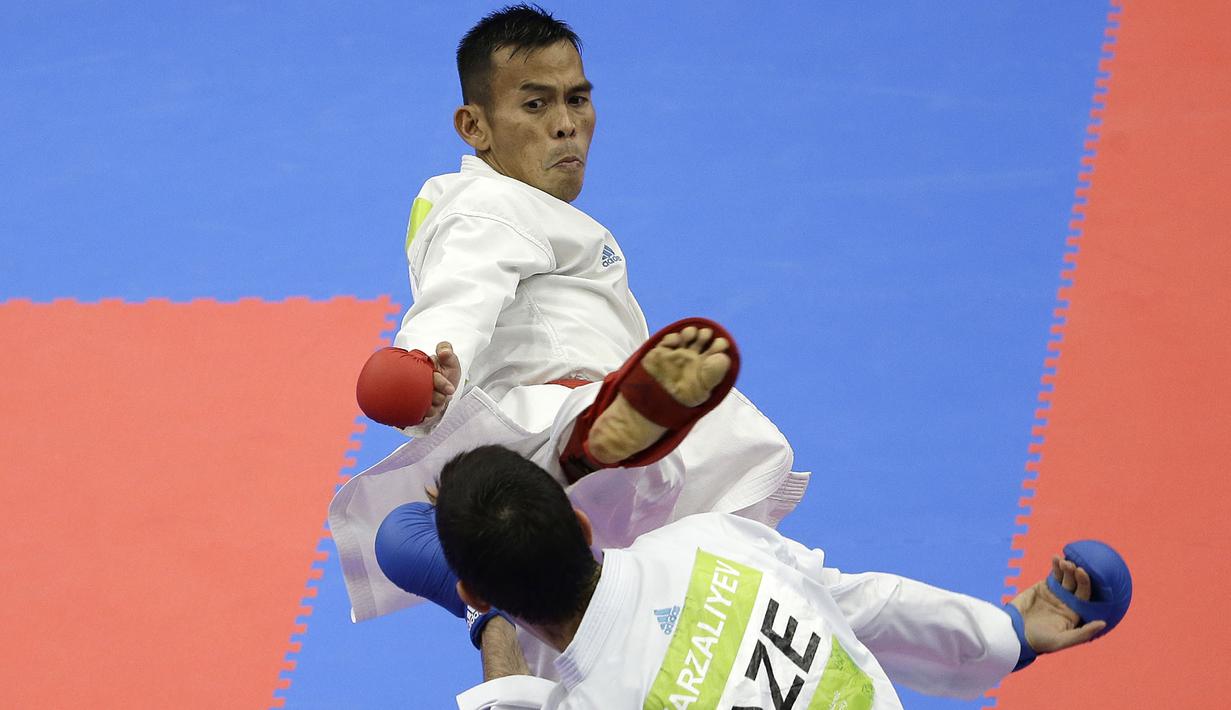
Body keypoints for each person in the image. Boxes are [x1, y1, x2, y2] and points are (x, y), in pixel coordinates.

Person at [329, 4, 807, 627]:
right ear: (474, 126)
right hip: (558, 429)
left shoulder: (514, 209)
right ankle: (590, 444)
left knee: (579, 623)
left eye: (577, 100)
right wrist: (422, 360)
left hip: (572, 499)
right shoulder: (488, 207)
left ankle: (491, 601)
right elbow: (462, 289)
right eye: (535, 105)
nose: (566, 125)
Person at [435, 445, 1127, 709]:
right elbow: (862, 604)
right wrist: (1004, 634)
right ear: (582, 527)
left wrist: (488, 621)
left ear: (472, 589)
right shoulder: (706, 540)